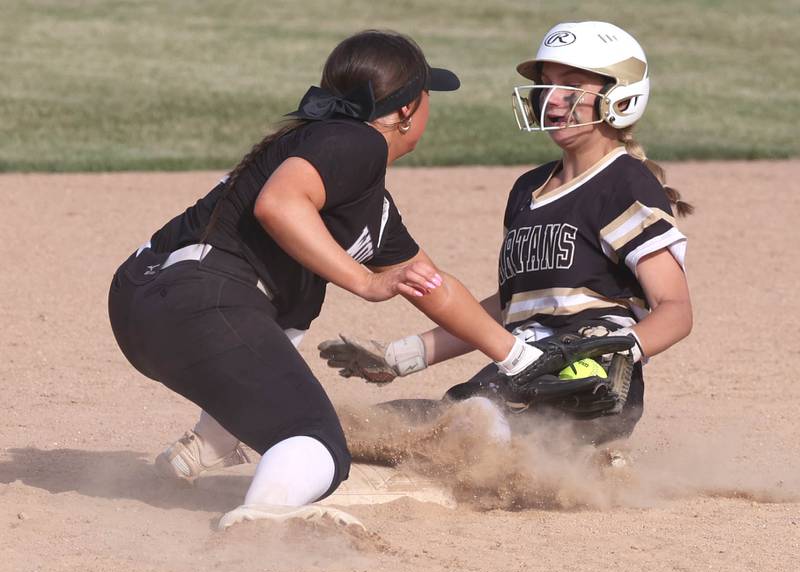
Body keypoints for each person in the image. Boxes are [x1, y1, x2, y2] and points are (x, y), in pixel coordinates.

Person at [107, 29, 552, 530]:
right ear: (406, 111)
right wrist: (364, 281)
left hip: (147, 308)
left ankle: (206, 445)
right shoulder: (356, 139)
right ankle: (261, 524)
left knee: (268, 354)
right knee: (316, 442)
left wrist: (521, 358)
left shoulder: (359, 192)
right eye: (428, 96)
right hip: (200, 301)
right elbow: (278, 204)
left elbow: (430, 283)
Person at [320, 21, 693, 448]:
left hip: (582, 384)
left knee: (466, 428)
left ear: (621, 96)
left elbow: (675, 309)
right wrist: (401, 356)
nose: (552, 100)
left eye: (572, 87)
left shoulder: (624, 183)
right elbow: (508, 308)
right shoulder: (526, 191)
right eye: (546, 86)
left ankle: (577, 464)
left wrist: (620, 349)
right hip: (518, 372)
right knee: (386, 427)